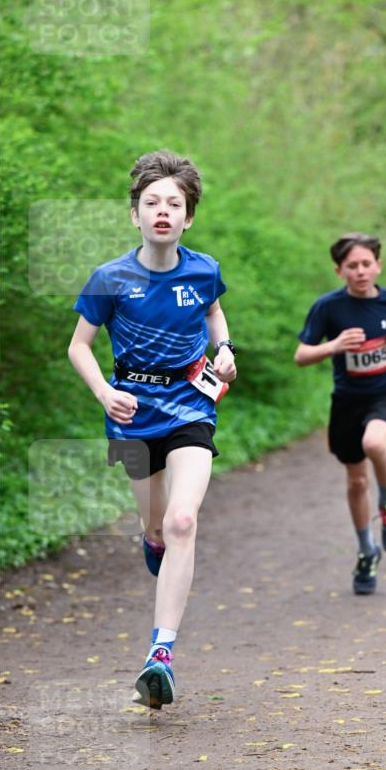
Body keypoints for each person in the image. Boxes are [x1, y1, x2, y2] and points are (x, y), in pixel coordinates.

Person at [68, 150, 237, 709]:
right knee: (158, 527)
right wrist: (105, 392)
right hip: (132, 413)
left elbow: (213, 313)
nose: (162, 211)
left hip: (191, 405)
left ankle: (160, 655)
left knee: (184, 519)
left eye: (174, 203)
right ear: (135, 214)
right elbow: (79, 346)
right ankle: (153, 538)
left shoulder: (203, 268)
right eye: (151, 202)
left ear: (188, 217)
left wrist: (225, 349)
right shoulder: (110, 278)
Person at [295, 233, 386, 595]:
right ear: (340, 270)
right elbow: (301, 355)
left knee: (375, 442)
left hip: (383, 394)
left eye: (367, 264)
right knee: (355, 482)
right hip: (346, 401)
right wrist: (333, 346)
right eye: (352, 266)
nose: (361, 271)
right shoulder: (328, 307)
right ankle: (367, 549)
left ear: (379, 266)